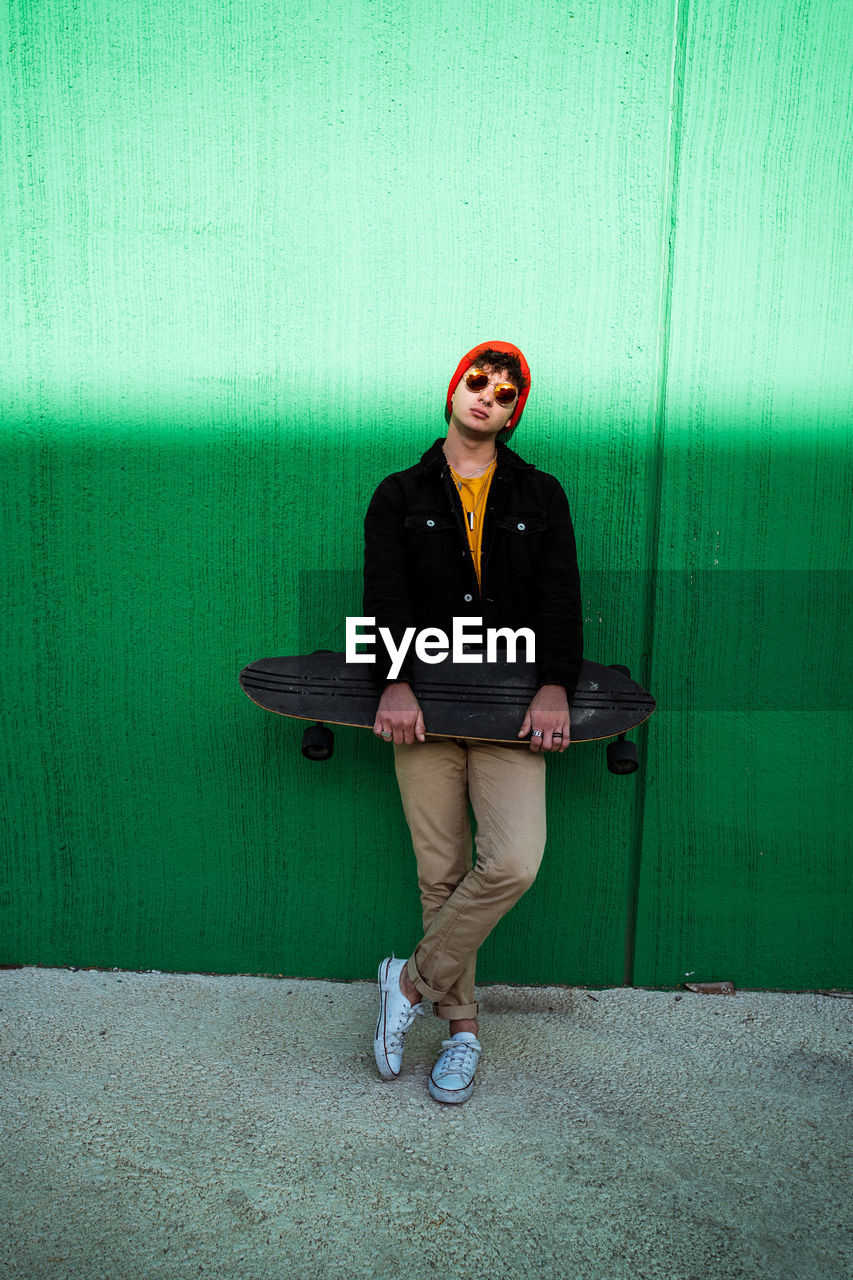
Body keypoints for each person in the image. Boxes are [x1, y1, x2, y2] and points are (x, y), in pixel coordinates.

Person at [363, 341, 583, 1103]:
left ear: (515, 411)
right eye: (476, 381)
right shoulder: (399, 494)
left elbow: (559, 595)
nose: (487, 395)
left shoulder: (540, 495)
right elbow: (385, 595)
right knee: (441, 874)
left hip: (508, 711)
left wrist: (555, 684)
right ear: (453, 389)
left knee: (514, 860)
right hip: (419, 708)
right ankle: (462, 1036)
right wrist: (392, 680)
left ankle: (410, 985)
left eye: (504, 391)